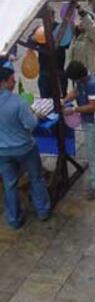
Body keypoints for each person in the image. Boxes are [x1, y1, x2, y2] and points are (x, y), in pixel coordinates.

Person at [0, 57, 51, 229]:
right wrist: (35, 115)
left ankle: (14, 219)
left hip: (3, 152)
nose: (14, 82)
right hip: (24, 148)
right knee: (36, 178)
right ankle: (42, 210)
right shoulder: (18, 102)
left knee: (10, 184)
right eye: (12, 80)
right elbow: (31, 124)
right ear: (5, 82)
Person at [64, 61, 95, 200]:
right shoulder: (81, 81)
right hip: (87, 120)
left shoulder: (93, 85)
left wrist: (73, 109)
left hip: (94, 122)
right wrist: (64, 100)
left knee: (94, 153)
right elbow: (75, 92)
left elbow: (93, 106)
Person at [69, 6, 95, 73]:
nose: (81, 23)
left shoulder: (92, 36)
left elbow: (90, 25)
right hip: (76, 72)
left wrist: (79, 9)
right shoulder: (75, 36)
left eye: (83, 20)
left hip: (88, 72)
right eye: (81, 20)